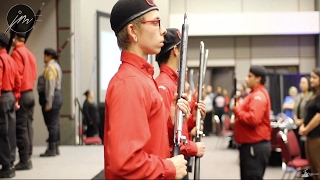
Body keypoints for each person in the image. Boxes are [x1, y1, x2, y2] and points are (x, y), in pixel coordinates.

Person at [104, 1, 190, 179]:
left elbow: (150, 142)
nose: (164, 30)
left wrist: (169, 122)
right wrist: (168, 167)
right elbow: (126, 162)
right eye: (156, 22)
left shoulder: (143, 78)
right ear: (133, 31)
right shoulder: (130, 83)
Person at [155, 28, 206, 179]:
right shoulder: (164, 86)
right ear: (176, 50)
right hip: (172, 162)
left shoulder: (173, 84)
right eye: (183, 48)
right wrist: (192, 147)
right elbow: (165, 134)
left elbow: (179, 126)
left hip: (179, 161)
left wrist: (193, 119)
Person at [232, 65, 271, 180]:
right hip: (250, 146)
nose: (246, 79)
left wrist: (237, 110)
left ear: (258, 79)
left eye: (250, 76)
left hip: (254, 146)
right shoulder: (253, 94)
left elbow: (254, 119)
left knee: (252, 177)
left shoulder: (258, 96)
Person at [10, 32, 37, 170]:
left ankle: (24, 160)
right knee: (28, 126)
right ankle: (28, 156)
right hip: (31, 92)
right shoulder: (30, 53)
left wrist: (16, 97)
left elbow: (17, 76)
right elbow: (34, 74)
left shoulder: (16, 53)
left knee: (21, 128)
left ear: (14, 38)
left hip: (22, 93)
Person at [0, 33, 21, 178]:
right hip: (11, 96)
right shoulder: (11, 59)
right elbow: (18, 81)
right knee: (11, 131)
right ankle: (11, 161)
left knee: (2, 132)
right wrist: (17, 98)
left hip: (2, 97)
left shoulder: (0, 59)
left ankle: (6, 166)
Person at [37, 48, 63, 157]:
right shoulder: (56, 66)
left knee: (52, 124)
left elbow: (50, 86)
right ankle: (55, 147)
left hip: (52, 97)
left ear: (49, 56)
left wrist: (48, 102)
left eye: (45, 56)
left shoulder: (50, 68)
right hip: (56, 96)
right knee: (55, 123)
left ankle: (52, 149)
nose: (44, 58)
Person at [299, 67, 320, 180]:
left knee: (318, 166)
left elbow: (318, 116)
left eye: (314, 77)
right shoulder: (313, 94)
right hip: (309, 136)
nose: (311, 80)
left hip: (317, 137)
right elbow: (307, 114)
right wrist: (303, 126)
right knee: (312, 169)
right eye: (311, 77)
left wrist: (306, 129)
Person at [293, 76, 312, 159]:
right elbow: (294, 109)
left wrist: (302, 121)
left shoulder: (311, 96)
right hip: (297, 125)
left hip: (306, 125)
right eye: (301, 83)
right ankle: (302, 169)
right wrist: (296, 120)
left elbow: (310, 112)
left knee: (305, 149)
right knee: (298, 148)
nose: (301, 85)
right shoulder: (298, 96)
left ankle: (307, 169)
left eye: (304, 83)